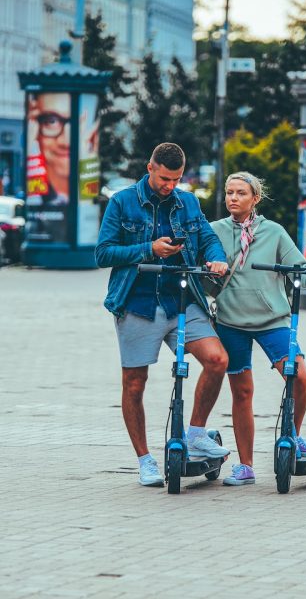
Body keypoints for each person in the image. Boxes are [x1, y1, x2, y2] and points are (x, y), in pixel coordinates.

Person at [95, 143, 230, 487]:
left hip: (182, 299)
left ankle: (196, 433)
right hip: (138, 302)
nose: (171, 186)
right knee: (135, 383)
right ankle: (144, 460)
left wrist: (216, 258)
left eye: (177, 179)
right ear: (150, 166)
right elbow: (103, 253)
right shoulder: (122, 202)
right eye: (165, 178)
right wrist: (148, 249)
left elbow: (208, 238)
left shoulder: (188, 202)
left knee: (217, 360)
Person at [208, 171, 306, 487]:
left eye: (240, 193)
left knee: (299, 375)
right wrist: (209, 273)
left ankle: (293, 435)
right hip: (230, 322)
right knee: (242, 392)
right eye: (229, 192)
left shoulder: (274, 232)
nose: (233, 198)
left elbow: (300, 272)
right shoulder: (214, 232)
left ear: (255, 199)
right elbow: (204, 277)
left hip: (272, 321)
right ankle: (245, 466)